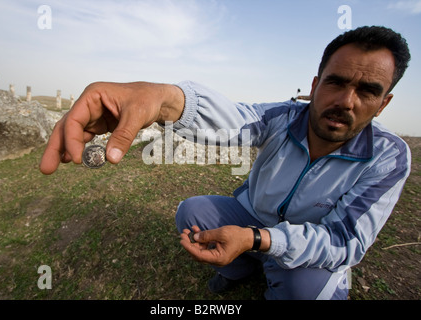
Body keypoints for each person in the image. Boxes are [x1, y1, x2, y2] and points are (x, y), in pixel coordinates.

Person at [39, 26, 411, 300]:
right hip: (254, 215)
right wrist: (164, 99)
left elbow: (343, 240)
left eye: (367, 91)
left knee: (307, 294)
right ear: (315, 86)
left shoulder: (388, 157)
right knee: (191, 212)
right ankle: (240, 267)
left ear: (384, 103)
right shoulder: (284, 117)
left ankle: (266, 264)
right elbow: (235, 118)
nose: (346, 101)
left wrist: (258, 239)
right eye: (336, 82)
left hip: (304, 246)